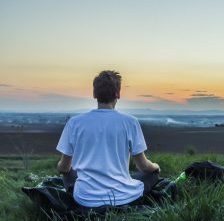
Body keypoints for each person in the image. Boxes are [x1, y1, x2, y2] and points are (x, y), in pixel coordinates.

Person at [55, 70, 160, 207]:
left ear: (94, 94)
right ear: (118, 94)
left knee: (68, 172)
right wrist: (156, 167)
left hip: (85, 198)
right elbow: (144, 166)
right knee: (152, 175)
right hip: (122, 197)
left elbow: (63, 167)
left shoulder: (74, 123)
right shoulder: (130, 122)